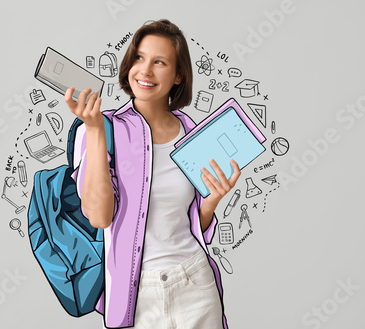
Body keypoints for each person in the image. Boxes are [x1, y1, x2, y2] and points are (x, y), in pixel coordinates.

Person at [64, 19, 240, 329]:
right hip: (137, 295)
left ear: (178, 75)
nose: (145, 70)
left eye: (159, 62)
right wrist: (93, 130)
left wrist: (210, 203)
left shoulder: (191, 133)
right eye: (139, 58)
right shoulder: (102, 128)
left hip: (195, 283)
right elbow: (100, 217)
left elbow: (187, 224)